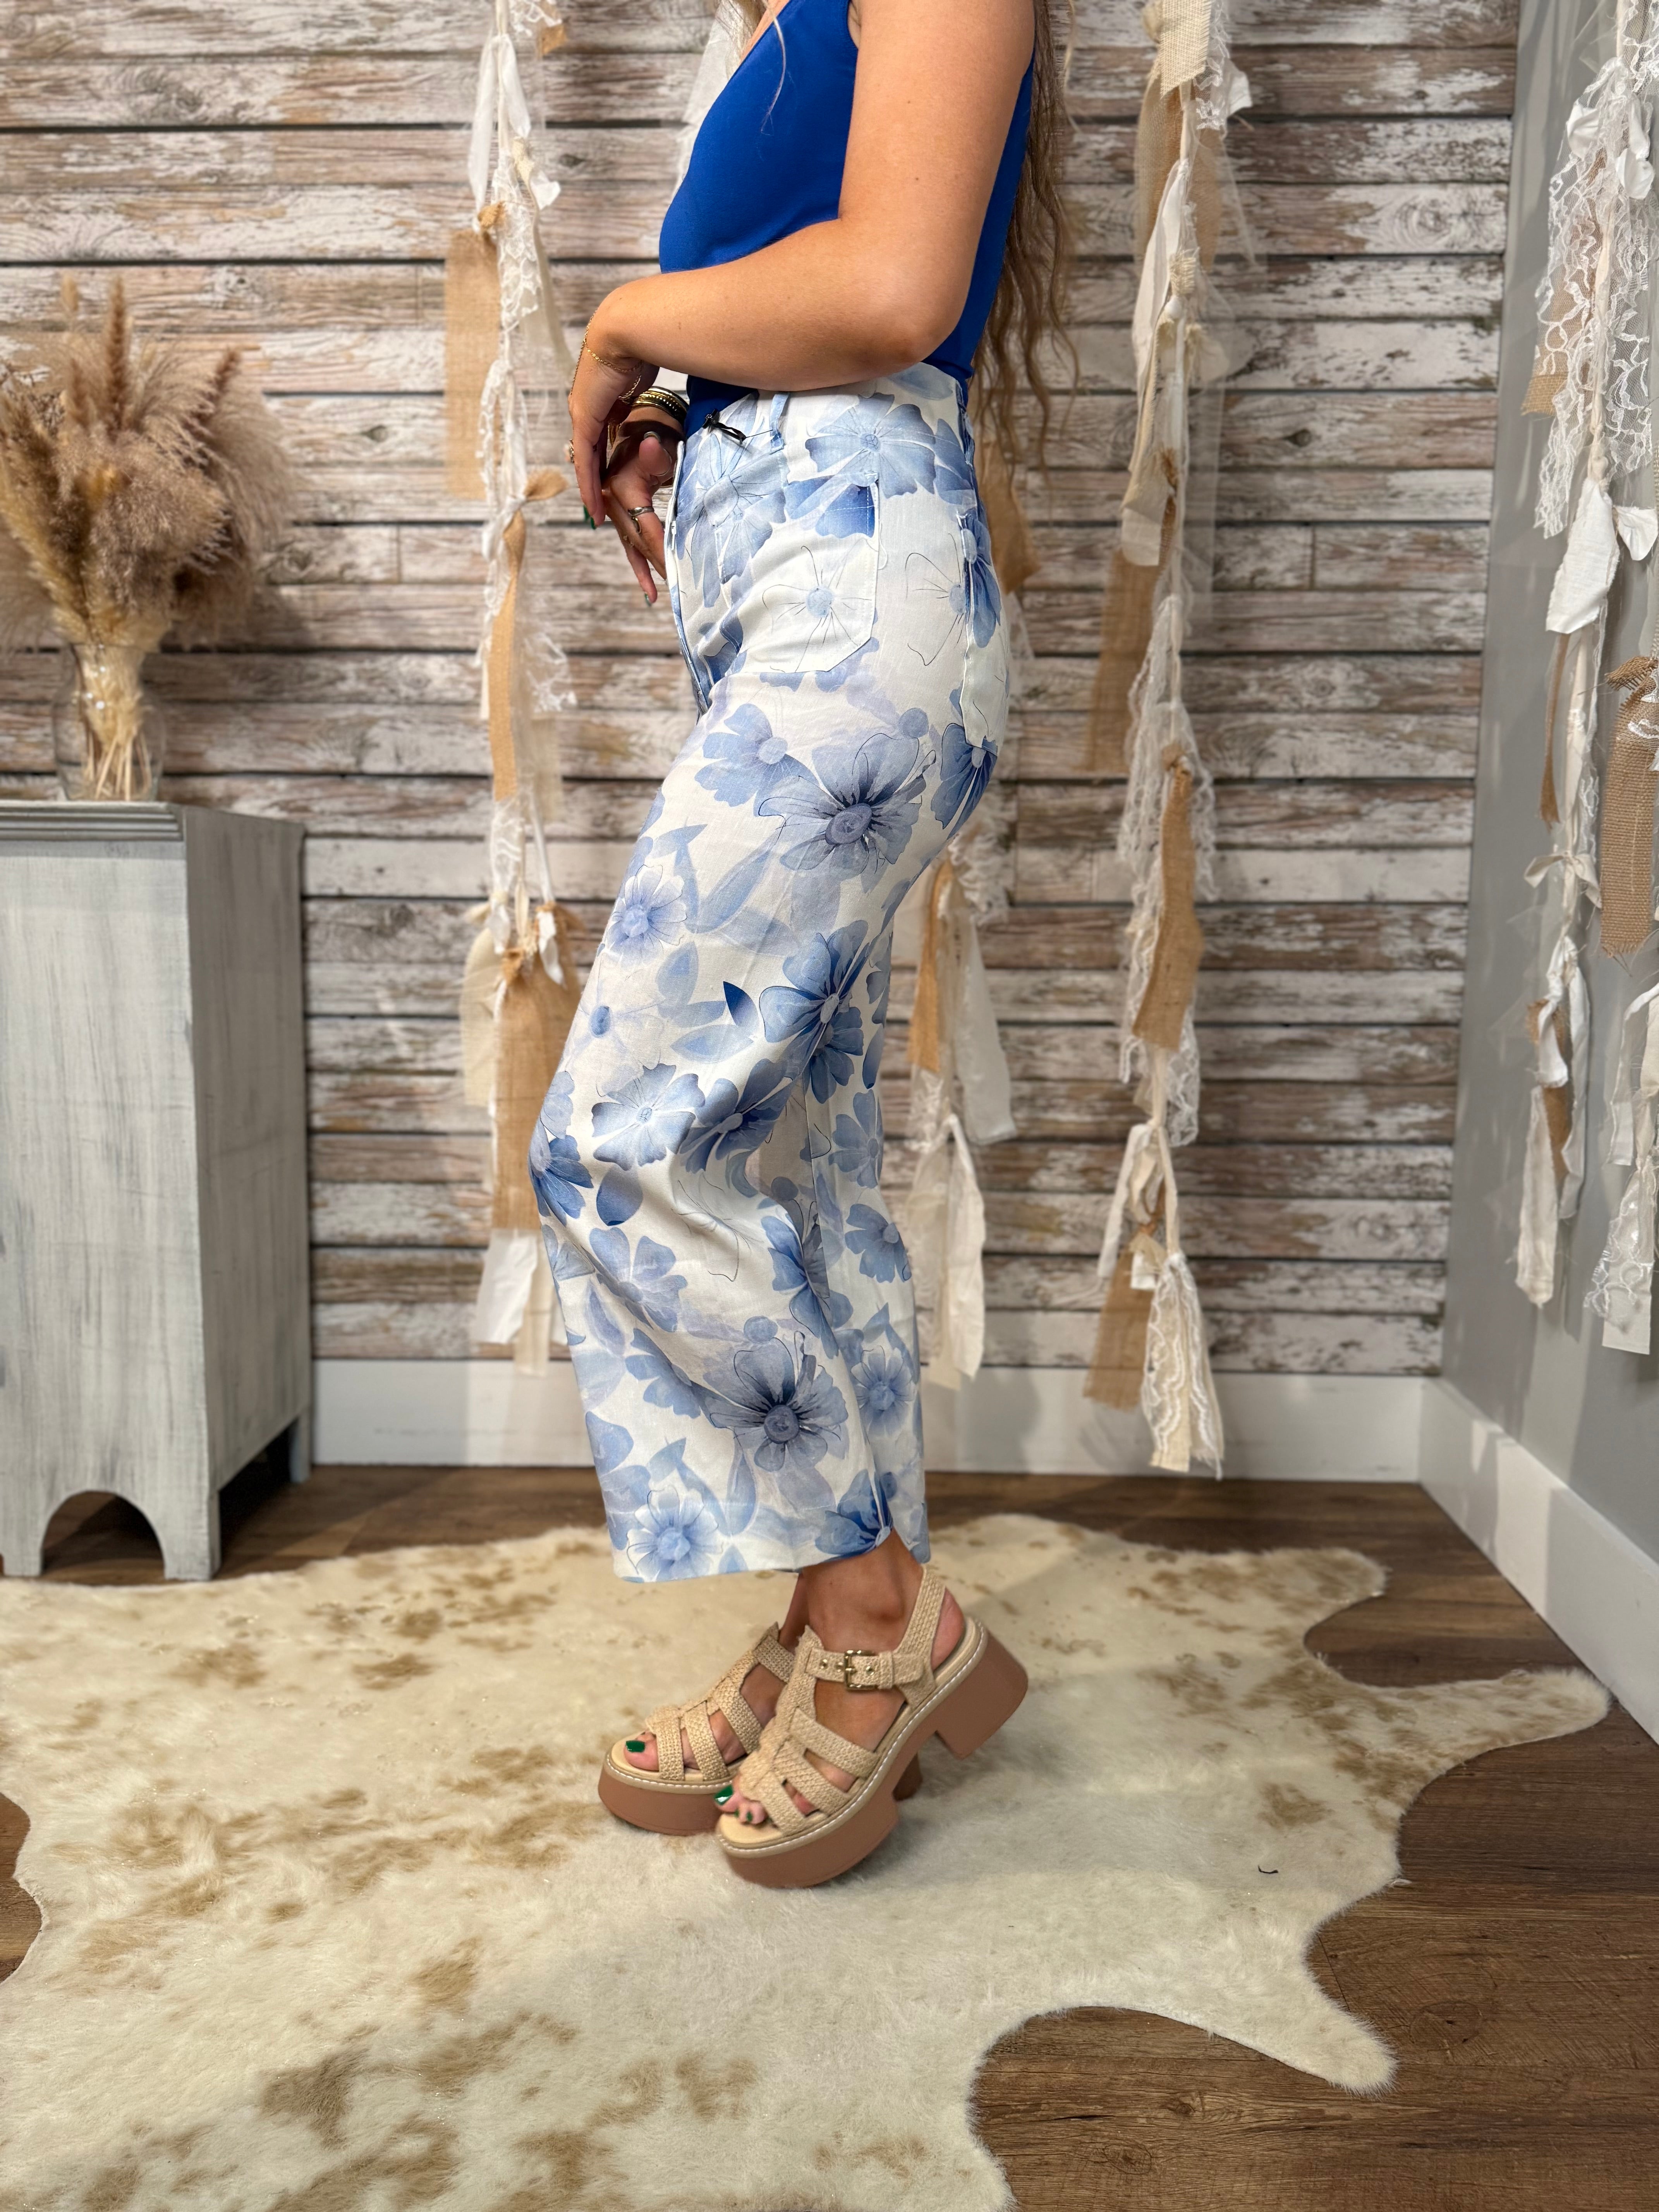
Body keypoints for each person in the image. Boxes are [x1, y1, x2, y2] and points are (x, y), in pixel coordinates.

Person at [535, 0, 1071, 1887]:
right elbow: (811, 296)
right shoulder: (777, 20)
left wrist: (625, 322)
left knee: (620, 1135)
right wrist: (688, 408)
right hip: (794, 589)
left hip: (861, 595)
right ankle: (820, 1636)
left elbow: (891, 287)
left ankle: (879, 1615)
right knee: (790, 1172)